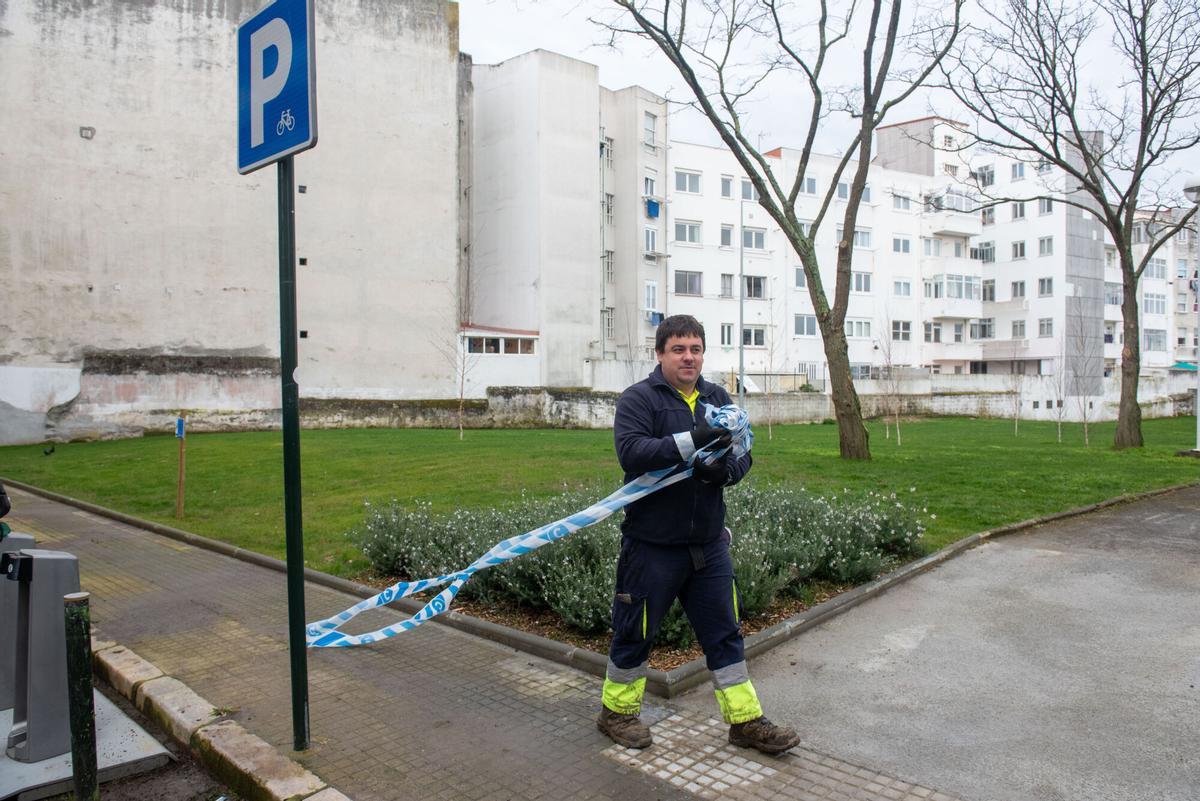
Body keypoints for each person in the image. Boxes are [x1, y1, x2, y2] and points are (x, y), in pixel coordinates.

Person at [596, 314, 800, 755]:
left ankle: (745, 722)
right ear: (660, 354)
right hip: (651, 547)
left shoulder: (717, 397)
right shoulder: (639, 399)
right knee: (635, 630)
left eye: (695, 349)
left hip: (708, 546)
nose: (688, 357)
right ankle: (617, 712)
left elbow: (744, 454)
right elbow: (632, 453)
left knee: (725, 633)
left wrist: (724, 472)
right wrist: (695, 440)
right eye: (678, 349)